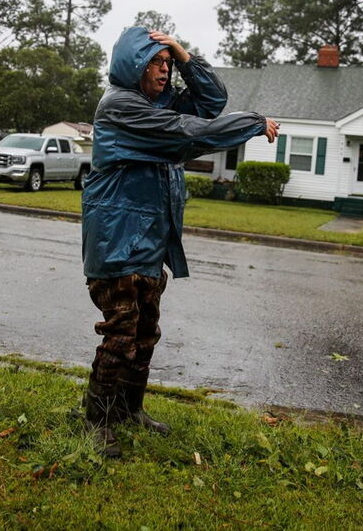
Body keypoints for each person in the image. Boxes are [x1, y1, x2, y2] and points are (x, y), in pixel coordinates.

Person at [80, 26, 279, 457]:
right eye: (155, 61)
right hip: (117, 241)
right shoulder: (122, 107)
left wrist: (184, 53)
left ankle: (128, 410)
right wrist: (253, 123)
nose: (164, 69)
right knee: (120, 333)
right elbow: (192, 132)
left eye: (167, 63)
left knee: (146, 332)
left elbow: (210, 103)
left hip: (150, 241)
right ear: (132, 67)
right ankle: (96, 420)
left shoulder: (157, 101)